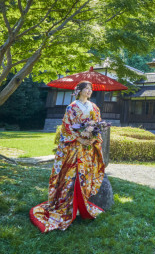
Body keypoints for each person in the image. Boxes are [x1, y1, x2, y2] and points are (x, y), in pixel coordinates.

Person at [30, 81, 105, 232]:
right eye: (87, 89)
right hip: (73, 147)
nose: (90, 91)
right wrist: (80, 138)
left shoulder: (94, 107)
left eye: (91, 89)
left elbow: (97, 124)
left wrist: (93, 137)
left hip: (87, 148)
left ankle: (81, 205)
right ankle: (67, 206)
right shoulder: (71, 107)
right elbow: (66, 127)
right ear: (79, 91)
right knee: (70, 176)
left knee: (84, 176)